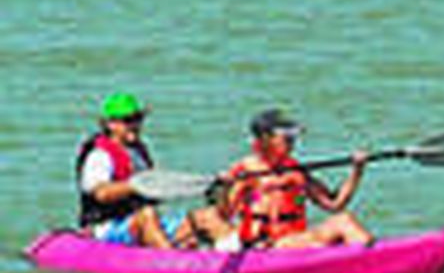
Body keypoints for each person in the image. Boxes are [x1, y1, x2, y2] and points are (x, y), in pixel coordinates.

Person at [75, 93, 229, 249]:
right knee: (147, 215)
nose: (135, 126)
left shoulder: (138, 152)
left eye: (138, 119)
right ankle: (172, 261)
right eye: (128, 121)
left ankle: (235, 254)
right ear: (110, 124)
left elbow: (154, 191)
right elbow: (101, 193)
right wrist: (136, 186)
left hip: (141, 223)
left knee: (207, 216)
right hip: (106, 228)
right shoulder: (99, 155)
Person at [222, 108, 373, 249]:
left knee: (344, 220)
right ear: (266, 139)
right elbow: (226, 214)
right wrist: (225, 188)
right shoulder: (246, 172)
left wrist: (357, 171)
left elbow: (335, 204)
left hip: (295, 240)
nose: (292, 142)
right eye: (286, 138)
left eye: (292, 138)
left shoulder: (297, 171)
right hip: (266, 247)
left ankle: (368, 263)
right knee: (341, 224)